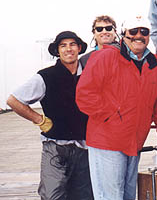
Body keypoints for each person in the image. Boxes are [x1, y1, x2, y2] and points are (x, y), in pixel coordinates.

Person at [76, 15, 157, 200]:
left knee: (127, 196)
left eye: (144, 31)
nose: (138, 36)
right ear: (123, 34)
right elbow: (84, 95)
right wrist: (112, 116)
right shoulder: (105, 56)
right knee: (110, 197)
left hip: (134, 142)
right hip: (107, 141)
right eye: (133, 31)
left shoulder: (154, 63)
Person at [6, 31, 93, 200]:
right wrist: (39, 120)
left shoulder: (90, 75)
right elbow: (14, 100)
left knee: (85, 196)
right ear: (57, 51)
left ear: (79, 48)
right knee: (52, 195)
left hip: (85, 148)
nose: (68, 49)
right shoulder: (45, 76)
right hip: (55, 147)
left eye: (72, 44)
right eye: (63, 45)